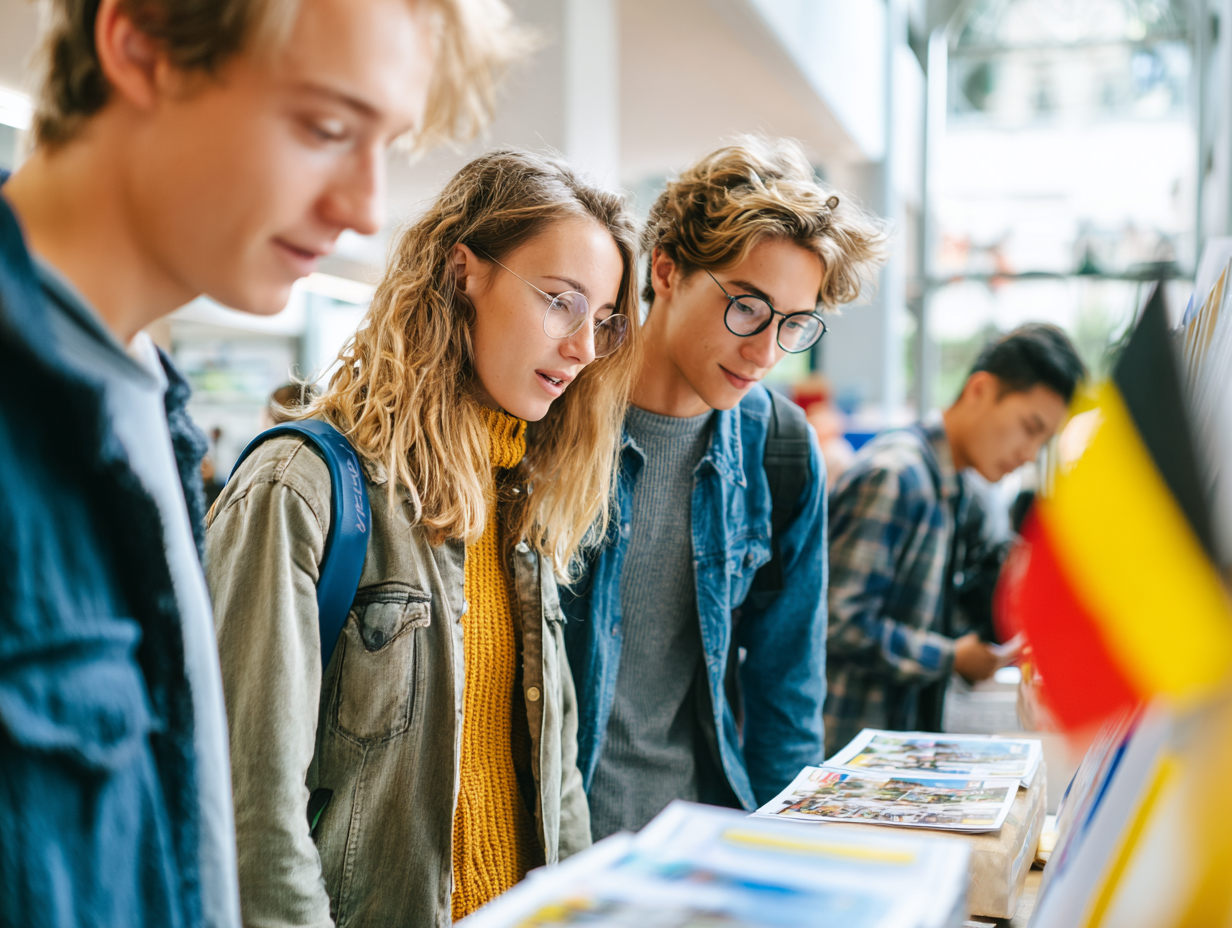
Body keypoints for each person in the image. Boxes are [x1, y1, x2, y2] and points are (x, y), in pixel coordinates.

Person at [0, 0, 519, 924]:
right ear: (141, 43)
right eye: (325, 127)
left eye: (382, 144)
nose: (363, 208)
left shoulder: (148, 410)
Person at [205, 149, 642, 927]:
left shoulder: (524, 504)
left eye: (602, 322)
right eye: (561, 302)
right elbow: (252, 815)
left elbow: (556, 784)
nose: (582, 348)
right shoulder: (300, 487)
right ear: (461, 270)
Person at [561, 137, 887, 837]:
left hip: (697, 846)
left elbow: (786, 694)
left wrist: (784, 859)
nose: (766, 352)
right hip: (545, 846)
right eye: (746, 307)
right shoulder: (553, 411)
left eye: (794, 324)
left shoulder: (779, 448)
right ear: (668, 269)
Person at [824, 324, 1086, 756]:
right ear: (980, 390)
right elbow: (837, 620)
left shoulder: (960, 490)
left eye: (1042, 441)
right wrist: (950, 656)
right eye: (1028, 427)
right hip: (846, 752)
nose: (1028, 454)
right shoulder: (897, 476)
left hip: (889, 754)